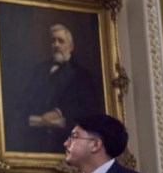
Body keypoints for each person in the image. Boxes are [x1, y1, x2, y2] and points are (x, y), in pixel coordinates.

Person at [6, 23, 102, 153]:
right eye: (53, 41)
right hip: (36, 139)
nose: (56, 45)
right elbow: (26, 100)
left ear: (71, 46)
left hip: (65, 141)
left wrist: (59, 112)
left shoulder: (82, 75)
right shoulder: (39, 70)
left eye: (61, 41)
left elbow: (88, 108)